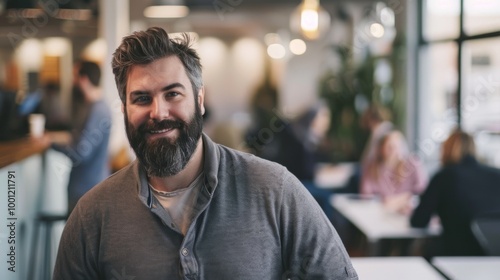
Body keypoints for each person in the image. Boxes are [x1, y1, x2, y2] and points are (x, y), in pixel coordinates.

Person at [53, 27, 358, 279]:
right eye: (142, 98)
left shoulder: (273, 190)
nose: (158, 112)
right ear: (124, 110)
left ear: (199, 100)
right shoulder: (92, 216)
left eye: (173, 93)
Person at [410, 129, 500, 256]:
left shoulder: (444, 177)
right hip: (493, 257)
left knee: (420, 247)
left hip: (455, 254)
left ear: (446, 150)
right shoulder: (496, 175)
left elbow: (418, 221)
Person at [49, 61, 112, 215]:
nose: (73, 81)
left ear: (84, 79)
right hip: (88, 188)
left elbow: (80, 152)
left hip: (85, 190)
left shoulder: (97, 111)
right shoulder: (95, 107)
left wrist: (52, 143)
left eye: (75, 77)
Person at [360, 130, 427, 206]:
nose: (392, 149)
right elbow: (366, 196)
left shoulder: (413, 164)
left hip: (409, 211)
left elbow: (423, 192)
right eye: (388, 145)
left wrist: (401, 200)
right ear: (380, 148)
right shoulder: (371, 168)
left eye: (396, 145)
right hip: (381, 212)